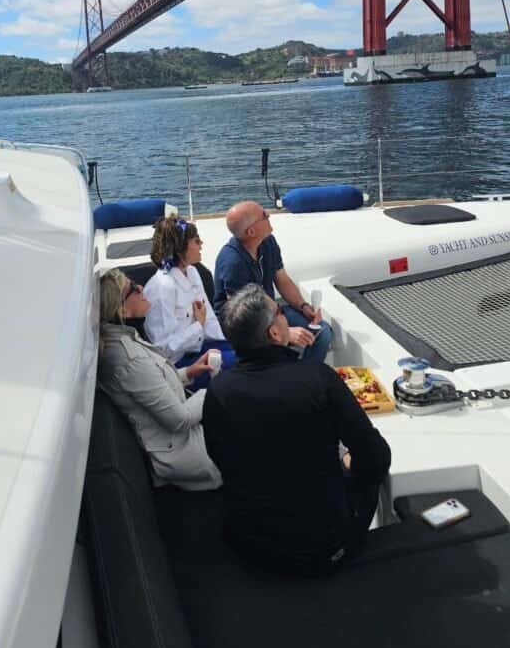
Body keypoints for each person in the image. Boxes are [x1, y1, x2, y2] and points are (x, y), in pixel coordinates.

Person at [203, 284, 391, 573]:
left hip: (250, 548)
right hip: (324, 548)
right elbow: (376, 456)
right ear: (275, 334)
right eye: (279, 311)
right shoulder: (317, 379)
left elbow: (218, 457)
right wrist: (347, 464)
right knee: (369, 470)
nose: (284, 315)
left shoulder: (217, 391)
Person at [97, 268, 221, 491]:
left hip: (190, 437)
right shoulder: (128, 359)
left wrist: (188, 372)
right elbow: (179, 419)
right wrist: (216, 389)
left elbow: (154, 385)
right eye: (133, 288)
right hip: (188, 453)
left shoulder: (125, 342)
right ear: (121, 308)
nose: (141, 288)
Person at [213, 200, 333, 363]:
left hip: (269, 313)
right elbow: (244, 319)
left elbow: (282, 279)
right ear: (252, 231)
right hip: (245, 327)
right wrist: (286, 333)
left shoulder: (267, 242)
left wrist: (303, 306)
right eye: (263, 215)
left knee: (323, 332)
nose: (268, 215)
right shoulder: (232, 263)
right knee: (277, 347)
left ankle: (304, 378)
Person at [144, 215, 236, 379]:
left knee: (253, 351)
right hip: (180, 365)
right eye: (196, 241)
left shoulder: (192, 272)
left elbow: (209, 320)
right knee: (244, 365)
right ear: (180, 250)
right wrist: (198, 325)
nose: (201, 245)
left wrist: (235, 339)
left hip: (202, 346)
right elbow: (165, 351)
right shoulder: (162, 287)